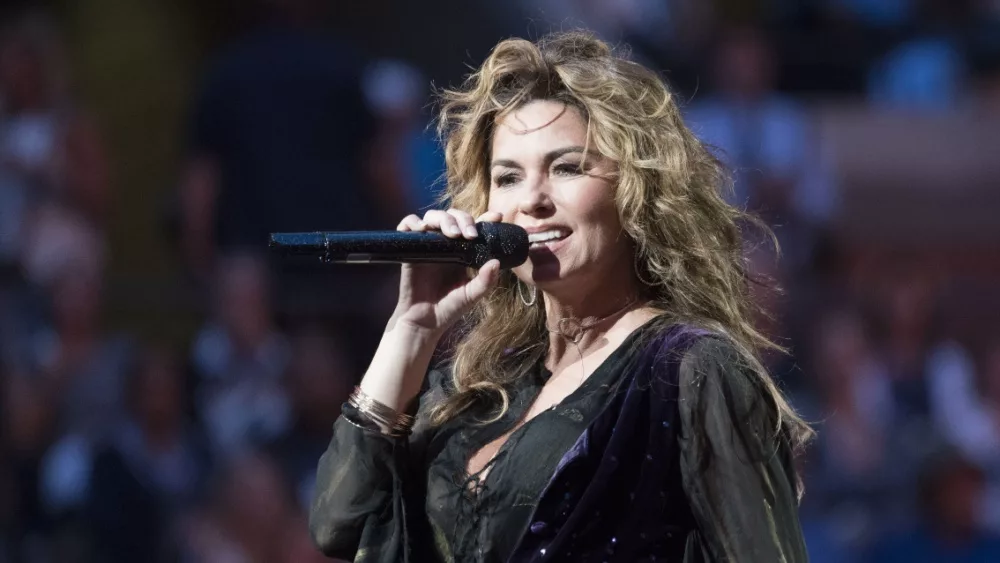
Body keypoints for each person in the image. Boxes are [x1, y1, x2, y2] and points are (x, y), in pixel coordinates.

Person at [308, 30, 812, 562]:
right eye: (507, 177)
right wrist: (410, 330)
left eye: (567, 167)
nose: (532, 200)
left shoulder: (691, 369)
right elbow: (341, 524)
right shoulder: (479, 386)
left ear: (635, 188)